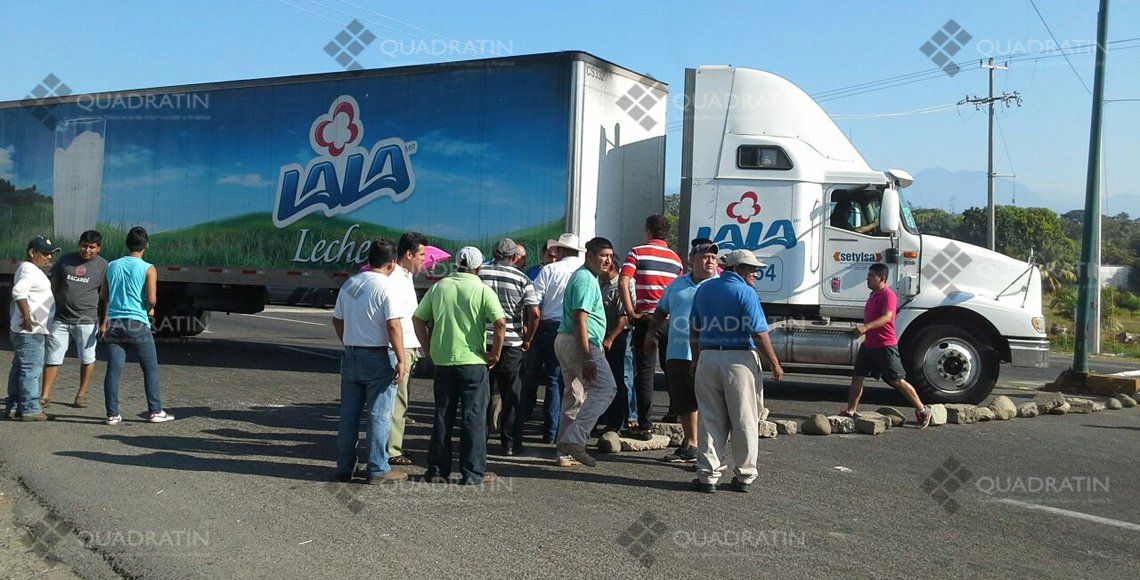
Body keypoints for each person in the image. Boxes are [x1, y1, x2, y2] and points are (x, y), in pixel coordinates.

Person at [688, 249, 784, 493]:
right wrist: (774, 362)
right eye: (752, 269)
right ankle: (744, 475)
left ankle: (707, 475)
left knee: (709, 418)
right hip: (739, 358)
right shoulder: (745, 292)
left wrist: (696, 359)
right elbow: (759, 333)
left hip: (708, 357)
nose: (755, 274)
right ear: (738, 269)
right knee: (744, 418)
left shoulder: (704, 290)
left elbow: (694, 330)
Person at [414, 247, 506, 485]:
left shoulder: (440, 287)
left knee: (443, 415)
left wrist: (428, 350)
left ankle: (437, 470)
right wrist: (495, 353)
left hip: (444, 360)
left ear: (456, 263)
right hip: (474, 362)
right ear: (479, 267)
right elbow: (500, 323)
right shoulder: (482, 289)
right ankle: (473, 473)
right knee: (473, 417)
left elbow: (418, 318)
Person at [331, 239, 408, 484]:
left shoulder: (351, 284)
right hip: (378, 355)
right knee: (379, 413)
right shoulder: (388, 287)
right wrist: (402, 359)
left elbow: (337, 319)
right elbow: (393, 325)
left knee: (349, 414)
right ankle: (377, 467)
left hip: (352, 353)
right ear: (393, 263)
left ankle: (345, 466)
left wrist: (348, 340)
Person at [649, 238, 719, 463]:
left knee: (706, 401)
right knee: (683, 401)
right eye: (705, 257)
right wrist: (650, 334)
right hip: (677, 352)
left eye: (714, 257)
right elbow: (661, 310)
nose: (710, 261)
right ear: (692, 260)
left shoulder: (719, 286)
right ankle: (690, 445)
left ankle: (707, 449)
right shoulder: (677, 284)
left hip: (706, 354)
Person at [553, 237, 617, 468]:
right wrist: (589, 355)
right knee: (605, 388)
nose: (607, 261)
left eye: (610, 256)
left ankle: (564, 451)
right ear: (589, 255)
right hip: (580, 343)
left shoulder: (586, 277)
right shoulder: (586, 280)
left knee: (575, 395)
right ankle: (574, 440)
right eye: (602, 255)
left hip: (567, 340)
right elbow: (581, 319)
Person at [843, 263, 933, 428]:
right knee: (857, 377)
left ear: (882, 279)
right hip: (869, 344)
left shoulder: (888, 296)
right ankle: (851, 411)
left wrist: (866, 327)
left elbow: (887, 317)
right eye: (868, 276)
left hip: (885, 346)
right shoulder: (873, 295)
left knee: (897, 380)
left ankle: (922, 410)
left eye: (871, 276)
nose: (867, 279)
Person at [102, 227, 174, 425]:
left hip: (114, 322)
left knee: (114, 369)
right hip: (137, 322)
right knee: (150, 367)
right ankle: (155, 410)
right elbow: (152, 299)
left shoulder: (112, 266)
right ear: (146, 245)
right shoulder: (148, 268)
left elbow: (104, 295)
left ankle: (112, 414)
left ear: (127, 244)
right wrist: (149, 309)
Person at [619, 215, 682, 437]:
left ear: (647, 231)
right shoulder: (676, 259)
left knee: (645, 371)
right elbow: (679, 289)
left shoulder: (637, 252)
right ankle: (675, 411)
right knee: (671, 367)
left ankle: (644, 424)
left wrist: (630, 312)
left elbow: (623, 281)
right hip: (670, 320)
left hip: (646, 319)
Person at [479, 238, 540, 456]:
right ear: (514, 256)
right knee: (511, 394)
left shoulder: (480, 271)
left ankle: (480, 442)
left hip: (482, 341)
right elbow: (534, 314)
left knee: (483, 393)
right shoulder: (522, 278)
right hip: (512, 342)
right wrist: (528, 339)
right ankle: (511, 443)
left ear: (494, 252)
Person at [525, 233, 585, 443]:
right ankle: (561, 432)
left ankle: (549, 431)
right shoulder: (585, 273)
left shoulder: (550, 269)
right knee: (567, 382)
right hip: (577, 329)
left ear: (560, 250)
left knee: (549, 378)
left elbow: (534, 300)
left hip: (549, 326)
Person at [41, 230, 107, 409]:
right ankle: (45, 395)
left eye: (92, 247)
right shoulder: (65, 260)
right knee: (52, 357)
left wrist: (104, 322)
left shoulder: (103, 266)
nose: (87, 250)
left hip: (87, 321)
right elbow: (53, 286)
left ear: (98, 248)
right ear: (79, 244)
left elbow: (106, 298)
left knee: (87, 358)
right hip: (61, 319)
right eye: (84, 246)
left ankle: (81, 395)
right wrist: (48, 310)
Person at [6, 236, 60, 421]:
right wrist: (28, 318)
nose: (49, 258)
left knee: (20, 368)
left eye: (51, 254)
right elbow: (19, 292)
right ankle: (30, 409)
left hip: (26, 330)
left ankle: (14, 406)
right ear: (32, 252)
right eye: (45, 253)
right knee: (31, 369)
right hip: (30, 330)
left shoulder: (28, 269)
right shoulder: (29, 270)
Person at [386, 231, 427, 467]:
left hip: (409, 347)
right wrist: (402, 353)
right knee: (397, 402)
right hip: (400, 348)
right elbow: (394, 320)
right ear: (409, 254)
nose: (423, 259)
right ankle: (392, 450)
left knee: (401, 401)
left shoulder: (406, 276)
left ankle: (394, 444)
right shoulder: (396, 279)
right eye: (420, 254)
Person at [598, 260, 632, 433]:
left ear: (611, 268)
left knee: (617, 379)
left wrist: (610, 338)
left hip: (617, 337)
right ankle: (606, 417)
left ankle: (617, 422)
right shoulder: (602, 284)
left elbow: (623, 317)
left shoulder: (618, 286)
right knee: (605, 379)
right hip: (604, 336)